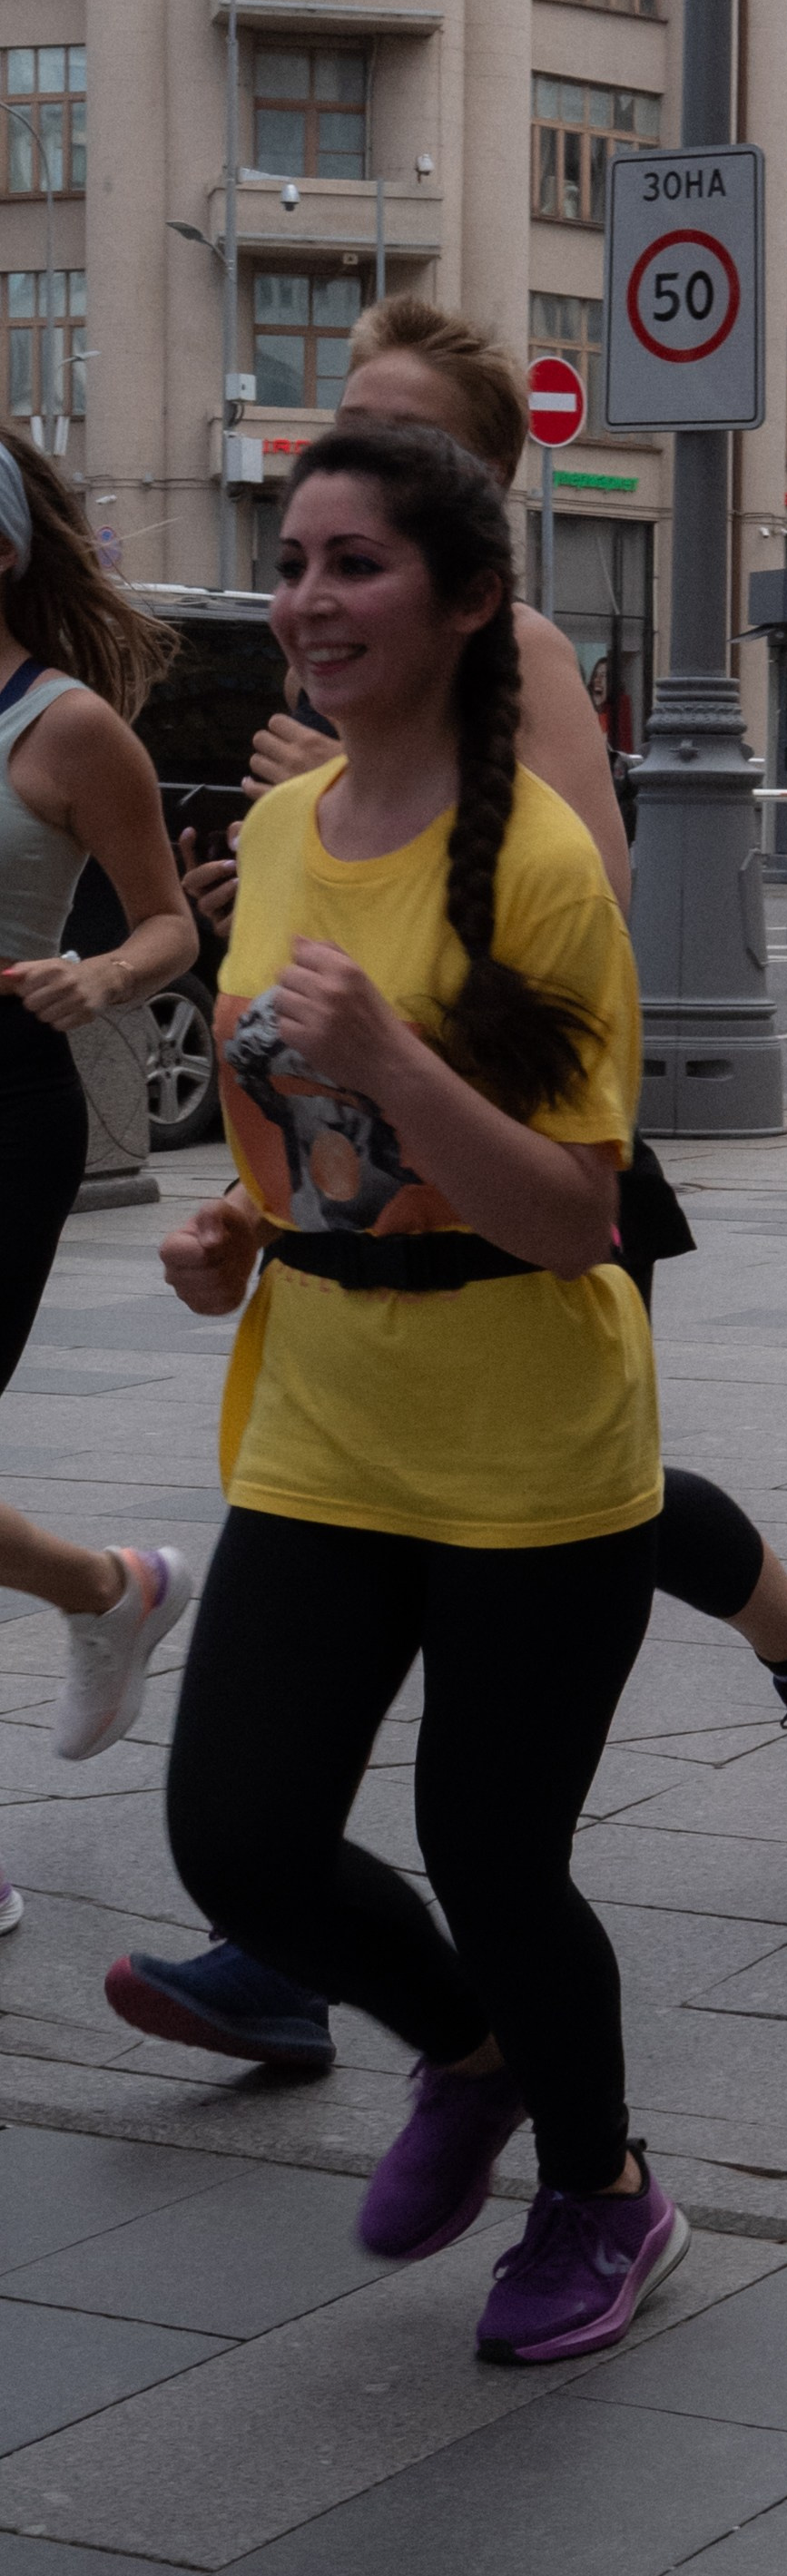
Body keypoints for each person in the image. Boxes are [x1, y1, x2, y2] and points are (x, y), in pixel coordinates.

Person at [109, 308, 787, 2070]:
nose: (323, 565)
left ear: (475, 503)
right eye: (314, 512)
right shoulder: (353, 685)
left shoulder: (519, 651)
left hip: (519, 1106)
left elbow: (576, 894)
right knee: (420, 1567)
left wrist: (364, 834)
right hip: (352, 1175)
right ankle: (308, 1939)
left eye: (393, 468)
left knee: (569, 1511)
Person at [159, 418, 687, 2362]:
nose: (307, 598)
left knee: (493, 1847)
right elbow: (289, 1137)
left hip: (533, 1452)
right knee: (240, 1832)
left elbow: (575, 1216)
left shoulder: (542, 871)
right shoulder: (283, 833)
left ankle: (608, 2192)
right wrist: (237, 1226)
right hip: (325, 1420)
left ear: (470, 604)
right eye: (293, 559)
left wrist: (392, 1059)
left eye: (355, 562)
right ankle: (472, 2053)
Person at [0, 428, 202, 1944]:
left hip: (0, 1107)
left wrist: (95, 975)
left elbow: (165, 931)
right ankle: (104, 1588)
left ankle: (107, 1592)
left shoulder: (70, 733)